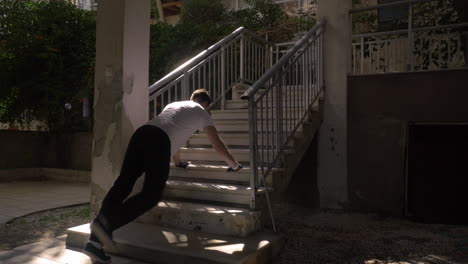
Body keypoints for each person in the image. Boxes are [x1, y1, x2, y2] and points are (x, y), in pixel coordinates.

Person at [83, 89, 242, 263]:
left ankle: (95, 242)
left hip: (142, 133)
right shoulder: (202, 112)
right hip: (158, 141)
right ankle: (104, 226)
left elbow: (172, 136)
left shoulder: (175, 106)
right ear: (206, 104)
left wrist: (179, 162)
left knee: (123, 184)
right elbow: (217, 144)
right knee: (151, 195)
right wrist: (234, 164)